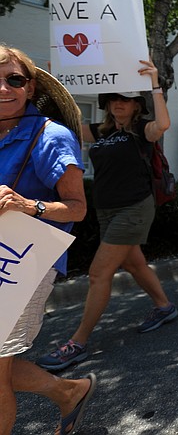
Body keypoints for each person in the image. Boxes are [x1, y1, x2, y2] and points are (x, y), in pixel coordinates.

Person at [36, 61, 178, 373]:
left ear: (135, 105)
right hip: (107, 210)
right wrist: (53, 84)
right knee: (133, 263)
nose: (117, 103)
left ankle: (77, 343)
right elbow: (63, 121)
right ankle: (164, 306)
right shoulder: (101, 131)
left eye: (124, 99)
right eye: (112, 99)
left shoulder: (142, 130)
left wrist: (155, 83)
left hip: (135, 207)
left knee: (99, 273)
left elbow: (163, 124)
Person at [0, 46, 95, 435]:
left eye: (14, 79)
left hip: (23, 260)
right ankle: (68, 392)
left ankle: (68, 392)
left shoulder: (50, 136)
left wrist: (27, 205)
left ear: (30, 86)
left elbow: (77, 208)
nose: (4, 88)